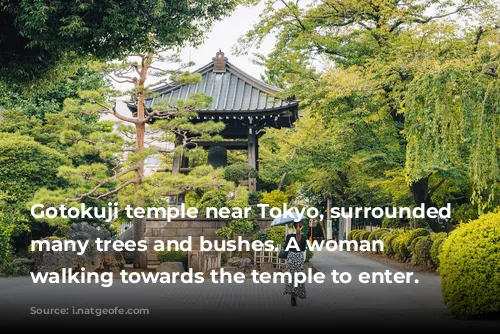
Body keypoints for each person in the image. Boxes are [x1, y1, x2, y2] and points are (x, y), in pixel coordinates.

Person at [283, 221, 307, 306]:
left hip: (291, 257)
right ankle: (297, 293)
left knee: (291, 276)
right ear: (302, 227)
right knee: (298, 276)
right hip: (299, 258)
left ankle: (292, 293)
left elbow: (286, 248)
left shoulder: (289, 236)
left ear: (293, 227)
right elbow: (303, 249)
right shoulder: (303, 237)